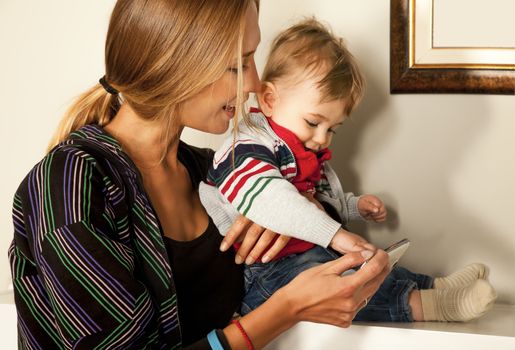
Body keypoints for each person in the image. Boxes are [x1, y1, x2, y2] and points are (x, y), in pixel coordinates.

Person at [8, 1, 391, 349]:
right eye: (238, 64)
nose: (255, 83)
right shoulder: (69, 185)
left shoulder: (209, 170)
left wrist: (298, 208)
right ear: (174, 65)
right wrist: (284, 309)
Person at [199, 18, 497, 324]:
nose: (321, 137)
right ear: (270, 100)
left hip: (305, 252)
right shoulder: (244, 146)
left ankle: (433, 286)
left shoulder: (304, 150)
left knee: (371, 259)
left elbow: (319, 197)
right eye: (313, 122)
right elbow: (270, 197)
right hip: (266, 273)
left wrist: (353, 206)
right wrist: (336, 236)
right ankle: (426, 305)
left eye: (333, 129)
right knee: (344, 278)